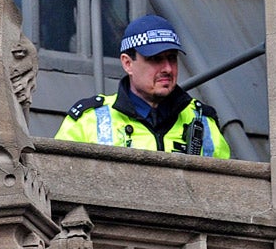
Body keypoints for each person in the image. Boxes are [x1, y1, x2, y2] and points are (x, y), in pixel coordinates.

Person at [54, 14, 230, 158]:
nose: (168, 68)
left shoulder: (203, 121)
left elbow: (226, 190)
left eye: (172, 58)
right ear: (128, 63)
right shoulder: (88, 120)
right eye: (156, 59)